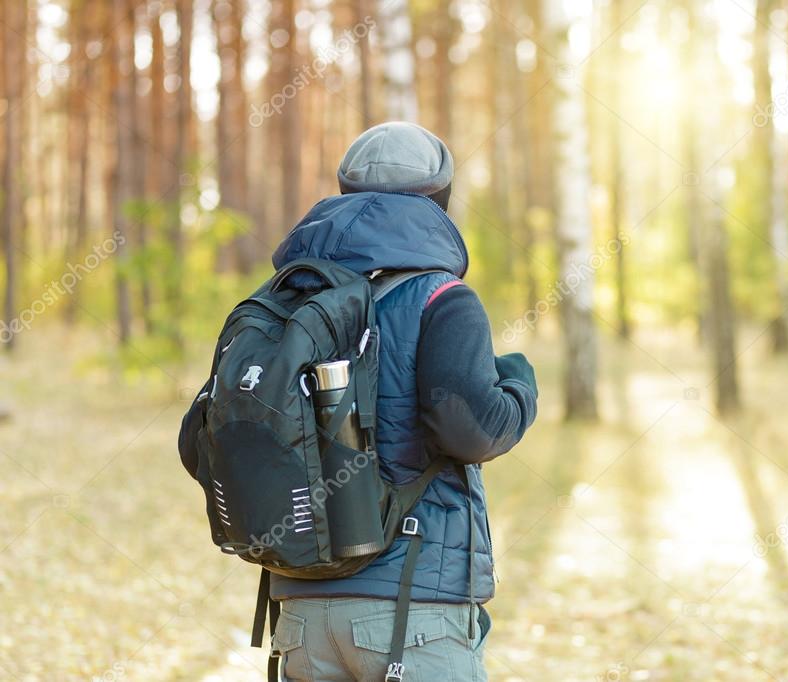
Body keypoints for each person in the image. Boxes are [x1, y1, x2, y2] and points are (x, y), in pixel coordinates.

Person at [179, 121, 539, 681]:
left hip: (299, 615)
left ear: (345, 193)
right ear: (439, 198)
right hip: (411, 613)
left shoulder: (287, 300)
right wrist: (519, 383)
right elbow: (473, 430)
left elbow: (197, 441)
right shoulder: (440, 297)